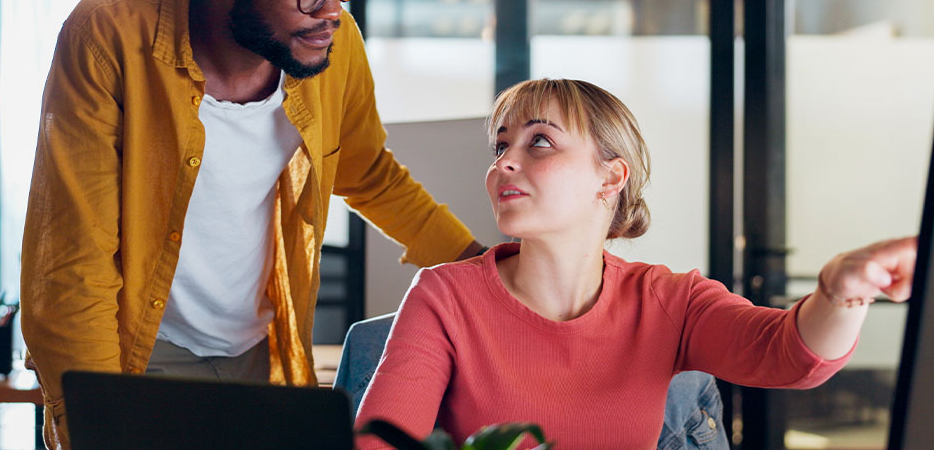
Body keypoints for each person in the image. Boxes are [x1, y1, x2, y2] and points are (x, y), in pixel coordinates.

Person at [19, 0, 483, 448]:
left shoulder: (329, 42)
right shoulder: (111, 32)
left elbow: (370, 174)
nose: (332, 9)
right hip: (136, 354)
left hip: (264, 349)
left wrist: (485, 268)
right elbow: (72, 260)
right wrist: (97, 419)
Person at [354, 78, 917, 449]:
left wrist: (843, 290)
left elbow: (791, 354)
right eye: (501, 147)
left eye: (539, 142)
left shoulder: (671, 301)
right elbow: (379, 442)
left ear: (611, 176)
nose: (506, 164)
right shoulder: (445, 295)